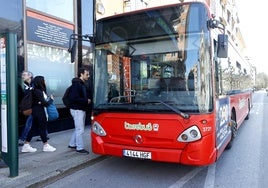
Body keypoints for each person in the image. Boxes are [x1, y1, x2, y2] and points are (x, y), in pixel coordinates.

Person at [21, 76, 56, 153]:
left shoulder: (35, 90)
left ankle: (26, 145)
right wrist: (51, 99)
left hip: (36, 111)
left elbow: (41, 102)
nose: (45, 82)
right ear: (40, 82)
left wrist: (43, 102)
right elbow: (45, 104)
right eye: (44, 80)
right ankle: (46, 145)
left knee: (33, 128)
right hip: (39, 111)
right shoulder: (38, 91)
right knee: (42, 128)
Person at [68, 67, 91, 154]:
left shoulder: (81, 83)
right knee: (80, 129)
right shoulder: (77, 84)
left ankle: (72, 144)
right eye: (86, 74)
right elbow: (73, 98)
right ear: (81, 74)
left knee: (78, 128)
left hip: (79, 109)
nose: (88, 76)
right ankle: (79, 148)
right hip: (77, 109)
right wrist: (86, 100)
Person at [18, 71, 34, 146]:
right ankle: (45, 136)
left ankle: (22, 139)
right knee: (38, 122)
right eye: (22, 75)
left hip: (34, 107)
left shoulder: (34, 84)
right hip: (31, 107)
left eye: (24, 75)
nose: (22, 76)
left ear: (30, 76)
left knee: (29, 123)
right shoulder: (27, 85)